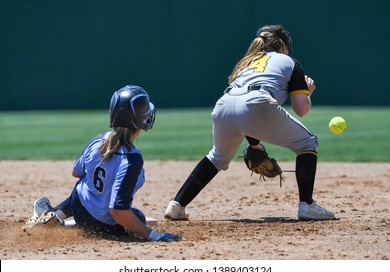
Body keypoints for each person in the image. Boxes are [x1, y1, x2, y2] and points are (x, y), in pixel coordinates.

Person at [164, 24, 335, 221]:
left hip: (223, 105)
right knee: (307, 143)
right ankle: (307, 205)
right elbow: (301, 109)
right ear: (281, 45)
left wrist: (254, 144)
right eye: (287, 46)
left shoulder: (246, 64)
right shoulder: (289, 61)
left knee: (217, 157)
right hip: (257, 102)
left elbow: (241, 111)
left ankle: (177, 205)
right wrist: (308, 91)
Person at [25, 85, 181, 242]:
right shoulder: (132, 159)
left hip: (79, 207)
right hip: (102, 227)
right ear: (141, 120)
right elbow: (118, 211)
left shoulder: (99, 140)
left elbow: (76, 173)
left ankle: (55, 215)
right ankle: (66, 224)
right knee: (138, 218)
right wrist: (154, 235)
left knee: (85, 185)